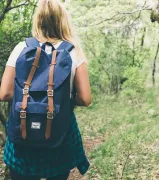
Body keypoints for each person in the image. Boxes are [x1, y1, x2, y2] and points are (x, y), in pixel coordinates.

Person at [0, 0, 91, 179]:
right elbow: (86, 99)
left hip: (23, 130)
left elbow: (5, 93)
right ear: (63, 21)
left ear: (38, 20)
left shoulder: (22, 48)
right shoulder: (74, 52)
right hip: (59, 131)